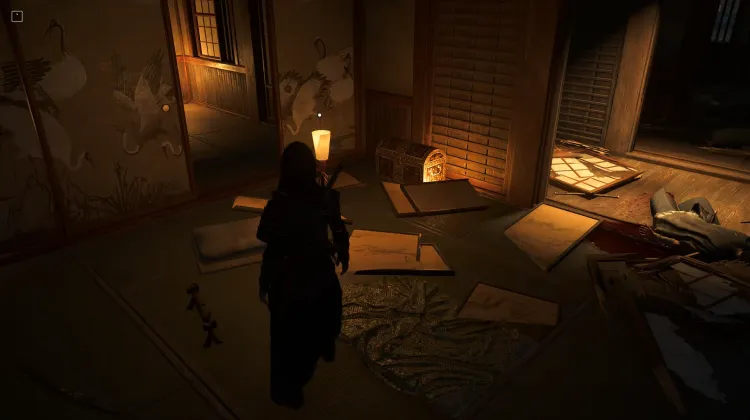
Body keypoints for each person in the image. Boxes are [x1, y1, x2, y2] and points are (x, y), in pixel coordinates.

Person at [256, 141, 350, 409]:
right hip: (295, 279)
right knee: (292, 338)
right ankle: (290, 386)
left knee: (301, 334)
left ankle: (304, 368)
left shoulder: (318, 200)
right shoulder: (283, 205)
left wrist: (339, 249)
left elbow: (338, 231)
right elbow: (270, 240)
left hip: (308, 277)